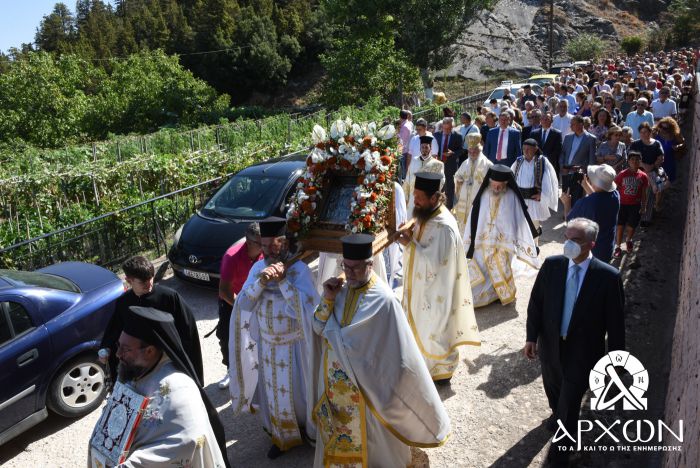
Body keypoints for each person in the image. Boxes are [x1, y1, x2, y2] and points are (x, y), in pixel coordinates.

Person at [310, 234, 451, 468]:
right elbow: (317, 327)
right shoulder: (339, 291)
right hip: (336, 391)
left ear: (370, 265)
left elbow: (398, 356)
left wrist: (333, 334)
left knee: (375, 449)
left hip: (369, 393)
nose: (349, 273)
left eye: (355, 268)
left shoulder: (385, 301)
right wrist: (327, 299)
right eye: (346, 266)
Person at [524, 218, 624, 466]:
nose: (568, 244)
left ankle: (561, 454)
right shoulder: (552, 266)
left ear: (592, 243)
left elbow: (616, 324)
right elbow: (536, 304)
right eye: (566, 238)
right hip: (551, 347)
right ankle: (556, 414)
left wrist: (616, 362)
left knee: (570, 403)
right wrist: (530, 337)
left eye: (575, 240)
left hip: (583, 353)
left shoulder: (608, 277)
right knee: (554, 389)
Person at [89, 306, 229, 468]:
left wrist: (132, 465)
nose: (118, 354)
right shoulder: (132, 369)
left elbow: (188, 441)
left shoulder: (179, 389)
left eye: (125, 349)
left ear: (149, 351)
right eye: (118, 345)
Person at [227, 217, 319, 459]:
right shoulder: (258, 268)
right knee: (275, 396)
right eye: (263, 245)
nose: (267, 251)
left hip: (295, 346)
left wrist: (284, 283)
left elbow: (309, 308)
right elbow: (244, 303)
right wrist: (261, 282)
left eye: (273, 245)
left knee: (300, 395)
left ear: (285, 242)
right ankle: (281, 438)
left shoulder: (299, 269)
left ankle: (308, 433)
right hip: (267, 347)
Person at [398, 173, 480, 384]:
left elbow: (435, 266)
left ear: (434, 198)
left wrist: (409, 244)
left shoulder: (443, 226)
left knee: (433, 328)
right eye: (414, 195)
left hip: (435, 292)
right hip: (420, 288)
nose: (414, 200)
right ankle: (419, 364)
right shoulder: (427, 214)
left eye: (418, 197)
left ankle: (438, 370)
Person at [99, 255, 203, 386]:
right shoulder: (123, 302)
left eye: (151, 279)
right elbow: (114, 329)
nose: (149, 285)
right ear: (129, 280)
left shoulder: (169, 297)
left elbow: (187, 330)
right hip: (138, 363)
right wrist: (105, 348)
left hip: (165, 360)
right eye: (142, 282)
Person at [464, 165, 540, 307]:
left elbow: (517, 220)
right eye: (494, 185)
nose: (496, 189)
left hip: (504, 244)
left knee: (502, 266)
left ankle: (502, 293)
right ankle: (485, 296)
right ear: (490, 182)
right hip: (483, 241)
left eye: (500, 186)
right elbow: (474, 219)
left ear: (506, 184)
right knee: (482, 267)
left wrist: (509, 239)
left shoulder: (511, 197)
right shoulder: (484, 195)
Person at [215, 223, 263, 389]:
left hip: (256, 297)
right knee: (226, 335)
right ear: (249, 242)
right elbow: (224, 290)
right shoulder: (232, 256)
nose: (265, 247)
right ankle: (231, 370)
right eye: (260, 243)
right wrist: (242, 306)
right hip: (232, 300)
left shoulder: (265, 252)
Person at [561, 164, 621, 263]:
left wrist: (566, 203)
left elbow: (569, 221)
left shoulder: (585, 203)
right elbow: (599, 198)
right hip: (607, 248)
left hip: (591, 252)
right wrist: (586, 185)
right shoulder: (615, 195)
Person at [511, 139, 559, 242]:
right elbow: (511, 177)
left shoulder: (542, 161)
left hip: (534, 201)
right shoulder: (518, 161)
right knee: (519, 226)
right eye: (524, 149)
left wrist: (542, 195)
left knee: (533, 226)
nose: (526, 151)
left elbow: (550, 180)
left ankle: (533, 250)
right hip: (520, 200)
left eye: (528, 149)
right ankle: (520, 250)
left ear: (535, 149)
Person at [453, 133, 493, 235]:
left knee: (477, 227)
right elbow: (457, 176)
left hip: (479, 201)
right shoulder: (465, 163)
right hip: (464, 200)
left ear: (480, 150)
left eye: (475, 150)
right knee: (463, 228)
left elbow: (491, 184)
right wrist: (459, 180)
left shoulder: (488, 164)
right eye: (470, 150)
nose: (472, 152)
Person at [613, 151, 650, 258]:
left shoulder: (643, 176)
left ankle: (629, 240)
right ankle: (618, 246)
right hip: (622, 205)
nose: (635, 162)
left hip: (635, 205)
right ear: (628, 161)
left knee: (632, 226)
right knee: (620, 226)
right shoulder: (622, 174)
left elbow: (644, 193)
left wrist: (644, 206)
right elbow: (614, 188)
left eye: (637, 160)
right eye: (632, 160)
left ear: (640, 162)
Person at [560, 116, 597, 215]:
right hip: (566, 172)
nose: (571, 126)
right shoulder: (568, 137)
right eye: (571, 124)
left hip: (579, 174)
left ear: (581, 124)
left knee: (577, 199)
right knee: (566, 197)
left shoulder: (591, 139)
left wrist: (587, 173)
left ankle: (575, 219)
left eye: (573, 124)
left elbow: (592, 160)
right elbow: (562, 153)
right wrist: (562, 166)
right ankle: (567, 216)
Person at [630, 122, 665, 224]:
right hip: (638, 171)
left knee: (651, 193)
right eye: (641, 132)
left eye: (645, 132)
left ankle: (646, 218)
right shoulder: (636, 144)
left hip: (653, 171)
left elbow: (661, 157)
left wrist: (653, 165)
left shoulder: (656, 143)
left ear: (650, 132)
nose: (643, 134)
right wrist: (644, 166)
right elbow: (632, 158)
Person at [403, 134, 444, 215]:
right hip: (413, 197)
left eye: (426, 147)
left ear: (430, 148)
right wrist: (406, 196)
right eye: (422, 147)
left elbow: (441, 181)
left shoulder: (437, 164)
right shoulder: (414, 160)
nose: (424, 149)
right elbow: (408, 177)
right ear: (420, 148)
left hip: (427, 199)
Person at [434, 116, 464, 209]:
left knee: (450, 187)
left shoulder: (458, 136)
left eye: (449, 128)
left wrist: (453, 153)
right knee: (438, 186)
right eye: (445, 128)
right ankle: (437, 206)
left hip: (451, 165)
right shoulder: (436, 135)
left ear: (452, 127)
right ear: (442, 126)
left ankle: (448, 207)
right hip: (438, 164)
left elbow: (461, 150)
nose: (446, 130)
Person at [532, 112, 563, 176]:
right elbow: (532, 148)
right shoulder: (534, 133)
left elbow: (558, 150)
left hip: (551, 164)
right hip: (536, 164)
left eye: (547, 119)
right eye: (543, 118)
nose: (544, 120)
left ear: (551, 121)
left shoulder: (557, 134)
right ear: (540, 120)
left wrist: (546, 159)